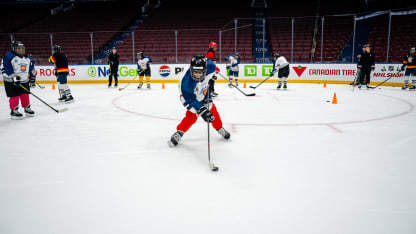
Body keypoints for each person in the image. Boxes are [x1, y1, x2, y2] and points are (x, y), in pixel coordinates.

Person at [168, 55, 230, 147]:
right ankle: (179, 132)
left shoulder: (210, 67)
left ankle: (219, 128)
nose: (197, 75)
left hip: (204, 92)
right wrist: (201, 110)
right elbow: (188, 99)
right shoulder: (186, 83)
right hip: (191, 97)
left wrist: (212, 74)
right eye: (195, 72)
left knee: (213, 111)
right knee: (192, 116)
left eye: (200, 72)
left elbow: (208, 60)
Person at [2, 41, 35, 119]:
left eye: (22, 48)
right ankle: (14, 110)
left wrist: (32, 76)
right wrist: (13, 77)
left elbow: (29, 69)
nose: (21, 50)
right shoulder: (8, 56)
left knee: (25, 94)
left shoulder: (26, 58)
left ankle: (27, 108)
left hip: (24, 80)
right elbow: (5, 68)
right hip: (11, 81)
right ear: (13, 49)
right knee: (15, 95)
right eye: (18, 48)